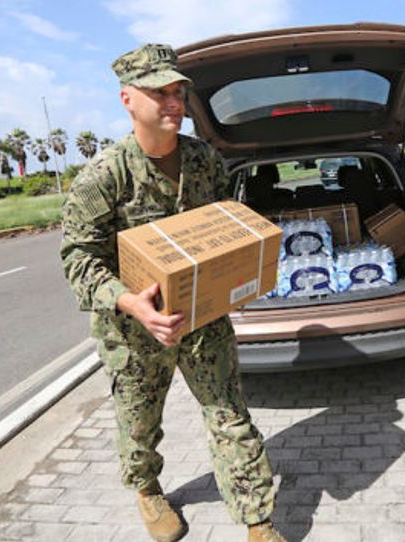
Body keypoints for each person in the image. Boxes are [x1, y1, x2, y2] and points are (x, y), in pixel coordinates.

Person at [60, 44, 286, 542]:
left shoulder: (205, 161)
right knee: (139, 425)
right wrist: (131, 302)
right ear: (127, 99)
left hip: (203, 318)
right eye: (158, 92)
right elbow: (78, 259)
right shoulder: (104, 177)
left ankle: (258, 520)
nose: (173, 102)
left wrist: (237, 279)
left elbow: (227, 225)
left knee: (230, 416)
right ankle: (146, 489)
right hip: (134, 330)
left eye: (177, 91)